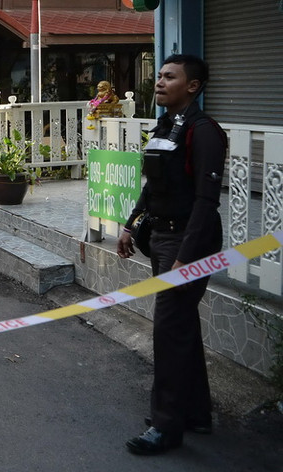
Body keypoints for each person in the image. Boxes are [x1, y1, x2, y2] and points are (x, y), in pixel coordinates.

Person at [116, 54, 227, 455]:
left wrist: (186, 256)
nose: (159, 82)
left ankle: (166, 427)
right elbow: (154, 184)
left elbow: (205, 201)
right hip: (160, 237)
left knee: (168, 332)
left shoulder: (205, 131)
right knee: (181, 329)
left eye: (170, 77)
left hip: (187, 243)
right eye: (159, 75)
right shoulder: (166, 125)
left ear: (192, 86)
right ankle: (195, 413)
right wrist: (131, 223)